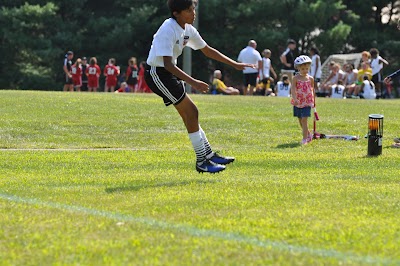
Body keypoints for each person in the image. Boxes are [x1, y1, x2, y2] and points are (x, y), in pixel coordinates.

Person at [144, 0, 254, 173]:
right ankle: (202, 161)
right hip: (157, 74)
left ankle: (208, 155)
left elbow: (207, 49)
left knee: (190, 115)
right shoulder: (168, 28)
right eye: (188, 10)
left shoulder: (188, 28)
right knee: (192, 112)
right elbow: (167, 65)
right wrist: (193, 82)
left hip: (167, 74)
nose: (193, 13)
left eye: (193, 8)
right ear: (176, 13)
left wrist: (235, 64)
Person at [291, 55, 315, 145]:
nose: (305, 71)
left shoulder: (310, 79)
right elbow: (293, 89)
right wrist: (294, 98)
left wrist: (313, 101)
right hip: (298, 102)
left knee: (304, 120)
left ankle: (304, 139)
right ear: (298, 68)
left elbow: (312, 89)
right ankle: (308, 134)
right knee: (300, 120)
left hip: (307, 102)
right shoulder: (296, 78)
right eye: (303, 69)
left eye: (307, 69)